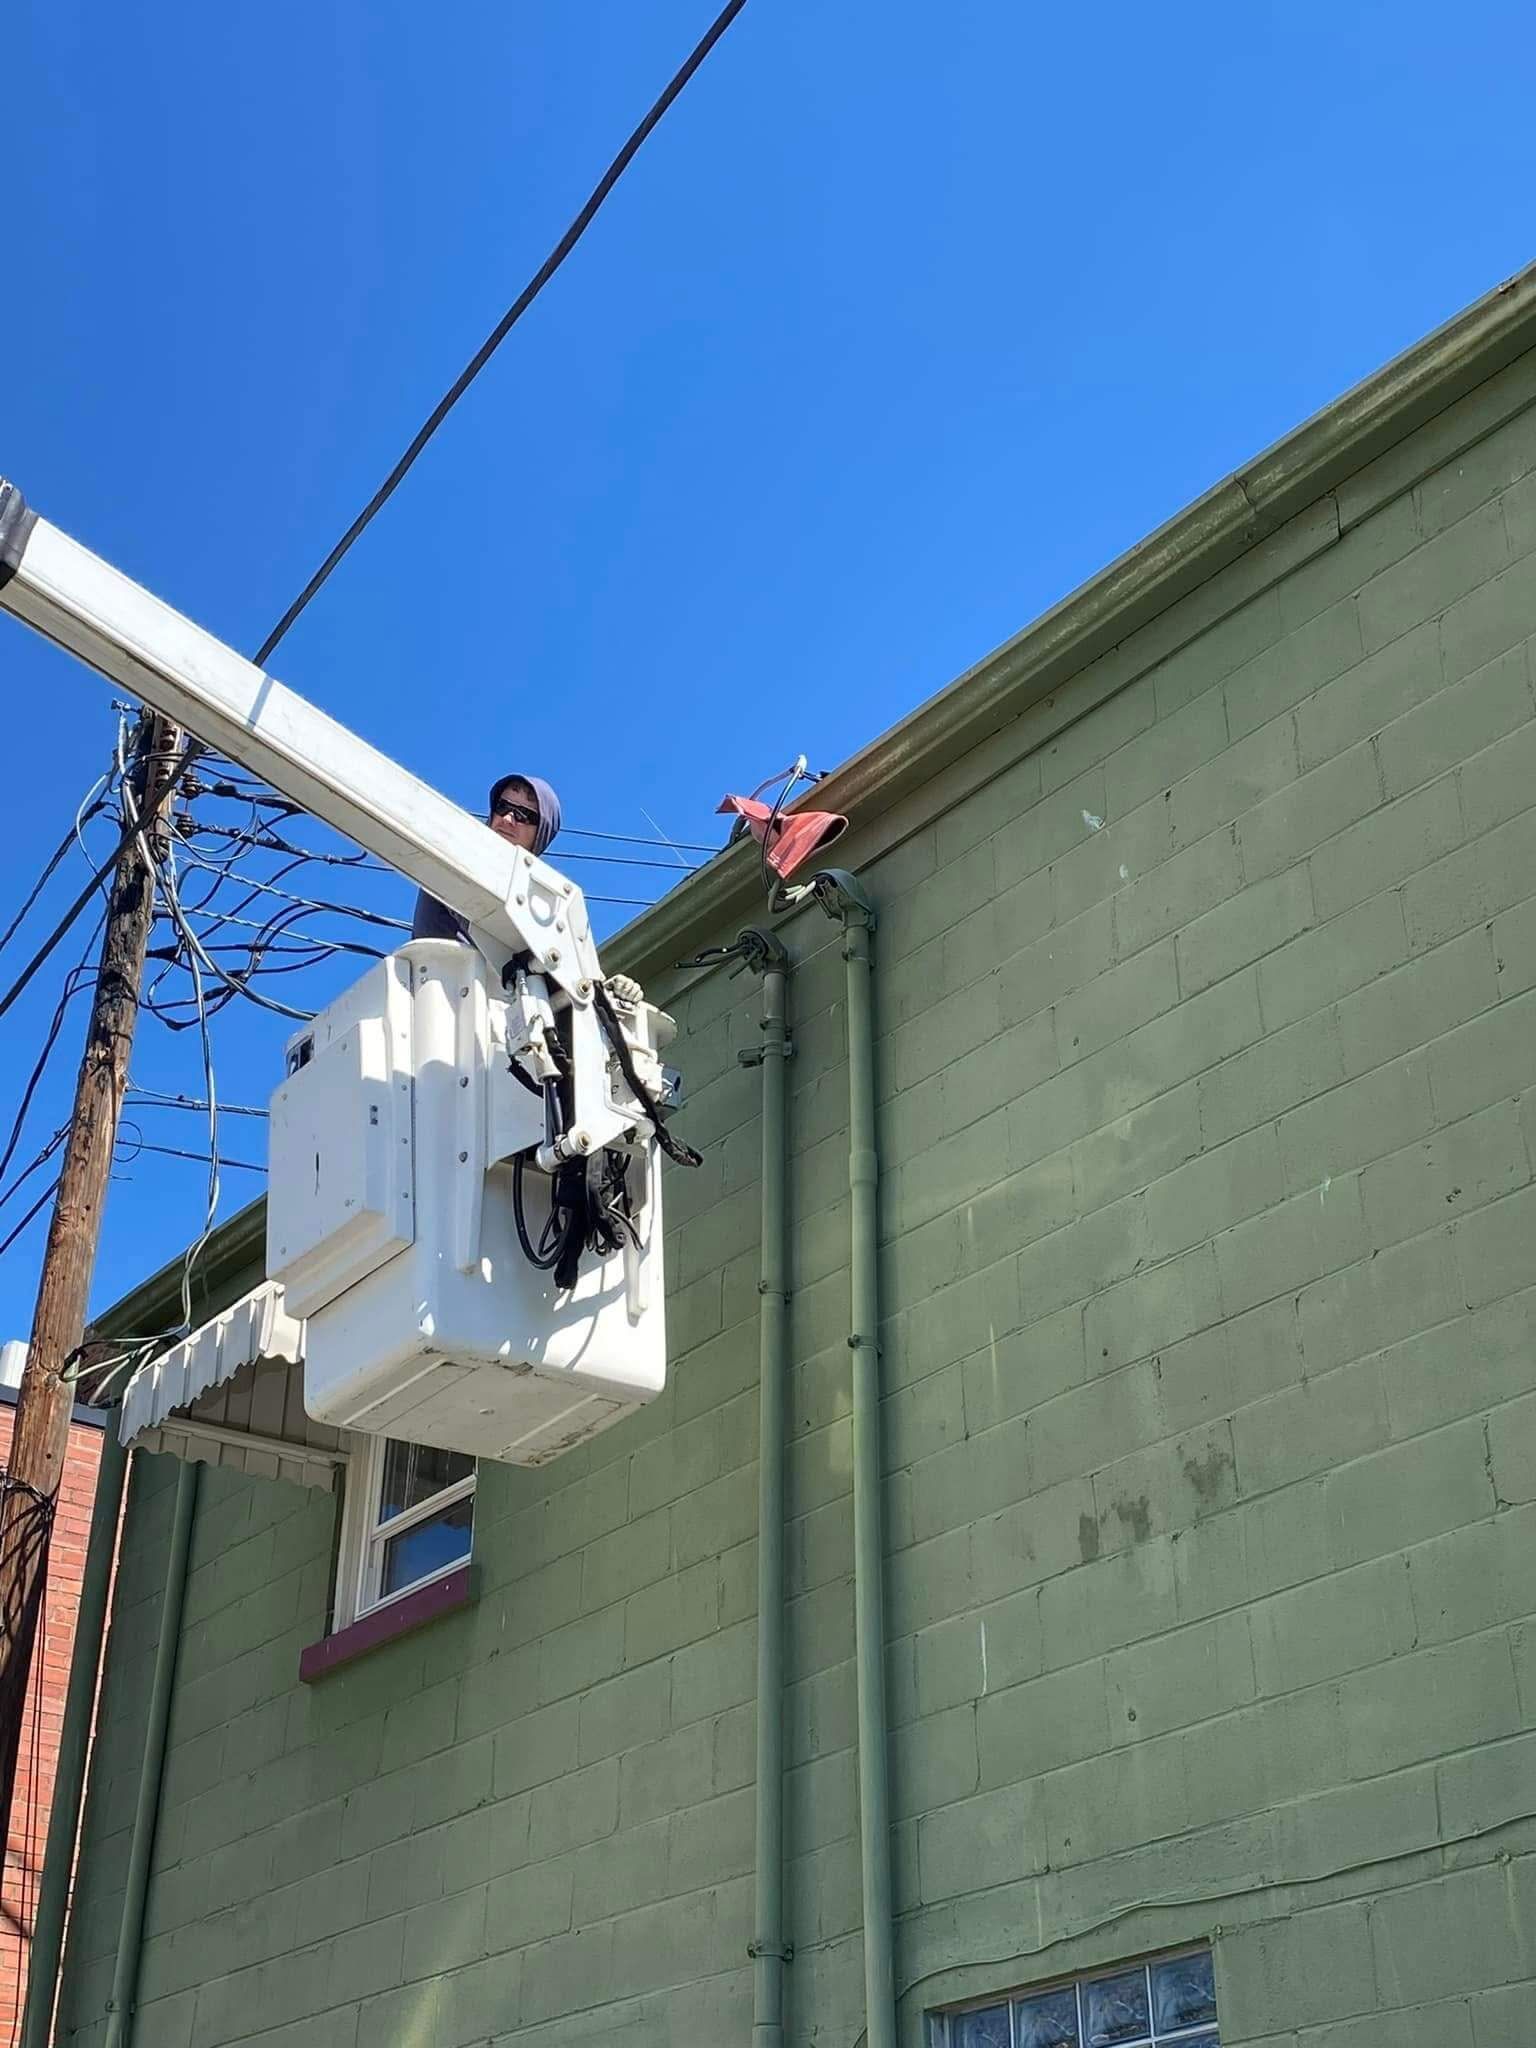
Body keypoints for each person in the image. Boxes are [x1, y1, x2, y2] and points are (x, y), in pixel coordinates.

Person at [412, 771, 563, 942]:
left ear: (541, 833)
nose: (507, 819)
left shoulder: (541, 911)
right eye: (503, 807)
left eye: (523, 815)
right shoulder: (461, 852)